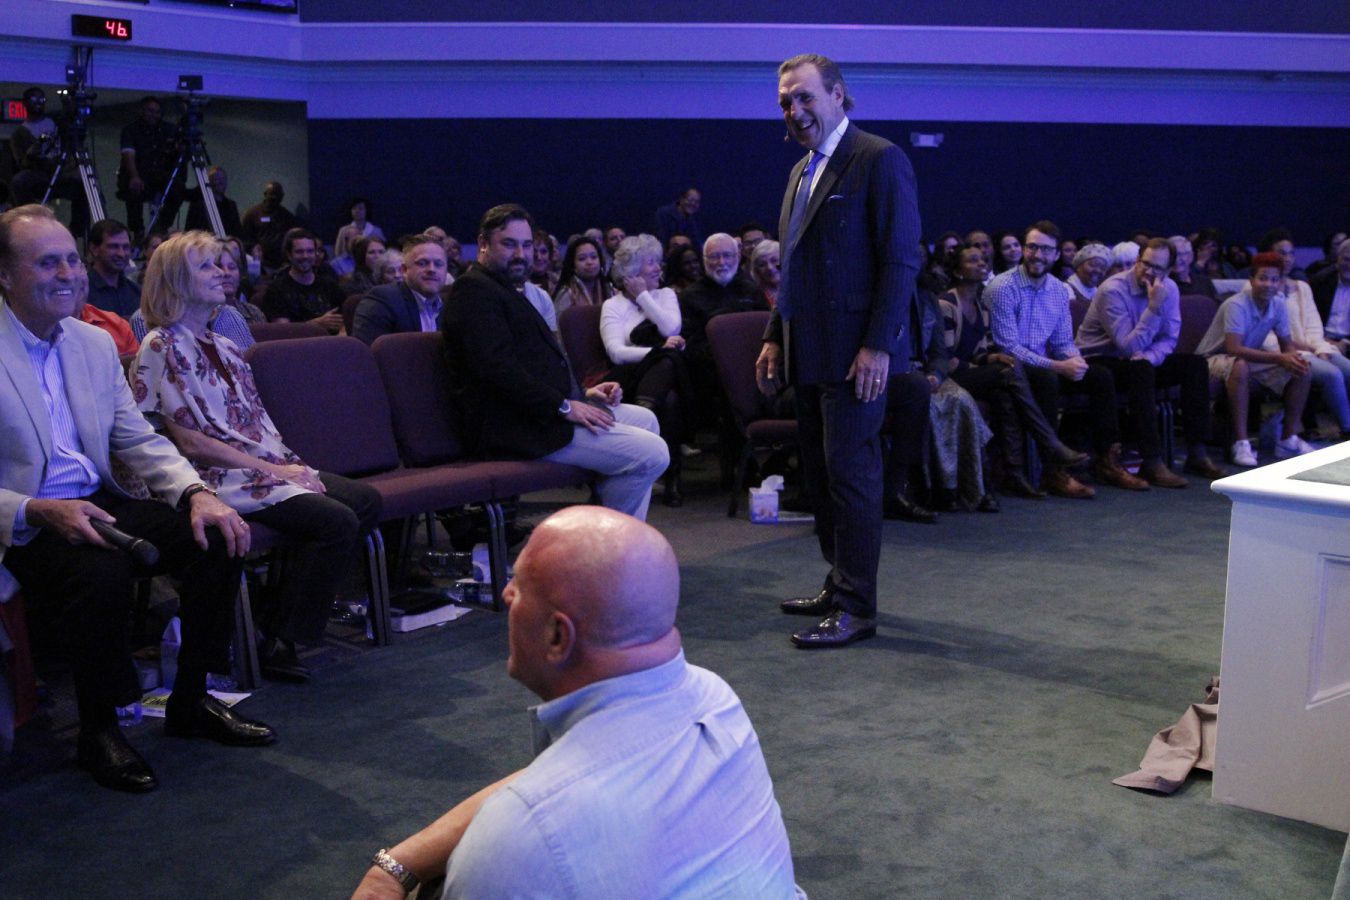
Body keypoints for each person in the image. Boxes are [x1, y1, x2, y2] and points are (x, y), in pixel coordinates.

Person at [349, 507, 801, 900]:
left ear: (557, 636)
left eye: (520, 585)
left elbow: (537, 809)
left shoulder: (514, 845)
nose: (506, 594)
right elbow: (547, 783)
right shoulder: (713, 698)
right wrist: (396, 865)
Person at [0, 204, 274, 793]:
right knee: (99, 573)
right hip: (23, 519)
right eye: (47, 263)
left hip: (97, 500)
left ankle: (191, 699)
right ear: (4, 275)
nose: (68, 274)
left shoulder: (92, 344)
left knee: (217, 534)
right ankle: (99, 729)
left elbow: (137, 439)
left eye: (72, 260)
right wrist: (36, 509)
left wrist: (197, 492)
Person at [133, 231, 381, 680]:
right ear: (176, 279)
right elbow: (192, 443)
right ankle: (281, 639)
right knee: (336, 521)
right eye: (207, 266)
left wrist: (291, 467)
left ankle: (271, 615)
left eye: (220, 263)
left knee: (365, 501)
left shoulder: (225, 346)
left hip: (258, 468)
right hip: (215, 477)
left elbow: (258, 426)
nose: (222, 272)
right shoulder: (159, 346)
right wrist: (278, 471)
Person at [756, 53, 921, 648]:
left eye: (804, 97)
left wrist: (877, 346)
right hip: (808, 350)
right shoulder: (800, 171)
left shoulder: (879, 158)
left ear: (837, 95)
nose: (794, 110)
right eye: (785, 102)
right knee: (822, 477)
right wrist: (774, 334)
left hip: (857, 357)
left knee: (851, 477)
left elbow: (901, 260)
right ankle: (838, 582)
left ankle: (857, 608)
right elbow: (794, 268)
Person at [441, 204, 668, 520]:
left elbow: (531, 364)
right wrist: (563, 406)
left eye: (526, 245)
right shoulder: (473, 291)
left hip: (538, 412)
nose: (520, 254)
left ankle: (611, 532)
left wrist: (583, 394)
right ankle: (607, 541)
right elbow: (497, 370)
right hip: (514, 426)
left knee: (646, 420)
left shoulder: (504, 288)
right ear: (483, 243)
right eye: (509, 244)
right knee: (653, 453)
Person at [989, 221, 1142, 496]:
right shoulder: (1003, 287)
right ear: (1023, 249)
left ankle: (1107, 460)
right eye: (1032, 247)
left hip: (1047, 363)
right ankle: (1053, 470)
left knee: (1099, 376)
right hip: (1011, 368)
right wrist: (1058, 366)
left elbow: (1062, 342)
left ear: (1057, 255)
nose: (1038, 255)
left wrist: (1074, 360)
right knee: (1048, 378)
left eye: (1046, 249)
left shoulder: (1058, 290)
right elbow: (1008, 347)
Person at [939, 245, 1088, 500]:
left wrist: (991, 358)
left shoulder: (981, 303)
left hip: (972, 372)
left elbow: (979, 351)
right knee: (1010, 372)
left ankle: (1015, 474)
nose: (982, 263)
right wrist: (984, 366)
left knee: (1006, 390)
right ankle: (1049, 444)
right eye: (973, 260)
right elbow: (946, 359)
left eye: (983, 259)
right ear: (957, 271)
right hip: (949, 377)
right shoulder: (947, 303)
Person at [1075, 238, 1226, 486]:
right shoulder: (1112, 290)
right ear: (1137, 260)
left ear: (1168, 270)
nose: (1148, 270)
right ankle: (1151, 460)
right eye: (1145, 263)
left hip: (1140, 358)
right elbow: (1127, 346)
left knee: (1195, 365)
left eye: (1157, 267)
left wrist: (1150, 356)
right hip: (1100, 359)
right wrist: (1154, 308)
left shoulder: (1170, 288)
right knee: (1141, 370)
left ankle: (1197, 452)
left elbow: (1169, 338)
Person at [1196, 252, 1314, 466]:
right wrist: (1280, 358)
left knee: (1302, 367)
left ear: (1279, 283)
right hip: (1210, 360)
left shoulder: (1278, 303)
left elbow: (1286, 344)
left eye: (1274, 279)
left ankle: (1288, 439)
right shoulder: (1236, 305)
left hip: (1246, 356)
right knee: (1239, 366)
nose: (1268, 284)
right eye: (1263, 278)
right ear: (1251, 280)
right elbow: (1234, 348)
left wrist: (1292, 357)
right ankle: (1241, 443)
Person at [601, 234, 691, 507]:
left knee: (670, 393)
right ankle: (668, 472)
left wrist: (643, 296)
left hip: (662, 380)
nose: (657, 267)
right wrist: (658, 351)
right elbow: (616, 353)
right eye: (650, 262)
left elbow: (671, 328)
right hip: (627, 377)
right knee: (668, 361)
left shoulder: (666, 295)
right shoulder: (613, 305)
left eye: (657, 261)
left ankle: (647, 414)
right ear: (630, 271)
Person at [1257, 232, 1350, 440]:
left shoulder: (1302, 287)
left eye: (1291, 253)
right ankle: (1347, 428)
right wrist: (1299, 349)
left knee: (1347, 369)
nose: (1287, 258)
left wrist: (1320, 348)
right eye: (1281, 253)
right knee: (1332, 374)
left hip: (1312, 347)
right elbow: (1264, 334)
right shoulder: (1259, 288)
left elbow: (1314, 326)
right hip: (1281, 352)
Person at [8, 88, 91, 238]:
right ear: (25, 103)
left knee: (83, 184)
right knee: (19, 181)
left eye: (42, 100)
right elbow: (22, 163)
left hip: (61, 172)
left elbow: (73, 140)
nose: (38, 103)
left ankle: (76, 231)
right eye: (34, 100)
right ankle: (31, 221)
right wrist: (33, 153)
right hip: (38, 174)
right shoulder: (19, 134)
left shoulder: (56, 122)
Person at [353, 235, 447, 345]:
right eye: (422, 263)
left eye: (438, 264)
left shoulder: (450, 305)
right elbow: (367, 352)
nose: (432, 269)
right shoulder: (382, 299)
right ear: (404, 270)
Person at [116, 97, 184, 239]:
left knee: (178, 189)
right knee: (134, 190)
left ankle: (161, 226)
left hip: (159, 175)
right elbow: (128, 153)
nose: (154, 115)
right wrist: (134, 176)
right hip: (138, 173)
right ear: (142, 111)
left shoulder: (168, 129)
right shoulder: (131, 130)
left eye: (157, 112)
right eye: (150, 111)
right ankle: (138, 231)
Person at [259, 228, 345, 332]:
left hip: (332, 340)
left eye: (310, 251)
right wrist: (316, 324)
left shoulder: (330, 285)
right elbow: (282, 332)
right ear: (289, 255)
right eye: (299, 252)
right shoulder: (276, 290)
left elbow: (345, 322)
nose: (305, 256)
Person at [85, 219, 142, 317]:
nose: (121, 254)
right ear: (94, 249)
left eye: (126, 247)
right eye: (113, 247)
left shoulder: (136, 292)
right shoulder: (82, 293)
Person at [241, 181, 299, 273]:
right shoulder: (252, 214)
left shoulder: (287, 216)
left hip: (282, 265)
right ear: (265, 194)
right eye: (272, 194)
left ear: (282, 196)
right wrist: (253, 248)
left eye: (278, 194)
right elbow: (245, 238)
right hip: (259, 264)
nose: (274, 197)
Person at [1311, 239, 1350, 361]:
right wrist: (1324, 340)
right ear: (1338, 259)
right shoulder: (1319, 282)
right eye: (1346, 259)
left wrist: (1346, 342)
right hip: (1321, 341)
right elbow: (1309, 319)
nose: (1349, 265)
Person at [183, 165, 244, 240]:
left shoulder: (231, 205)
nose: (221, 182)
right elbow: (190, 230)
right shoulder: (198, 205)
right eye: (217, 179)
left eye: (223, 179)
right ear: (210, 182)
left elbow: (237, 231)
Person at [552, 236, 607, 315]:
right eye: (582, 258)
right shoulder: (568, 294)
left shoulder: (608, 289)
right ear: (573, 265)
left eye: (594, 257)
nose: (589, 262)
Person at [333, 197, 386, 261]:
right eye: (354, 208)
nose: (357, 211)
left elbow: (383, 250)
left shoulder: (376, 231)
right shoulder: (344, 230)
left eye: (360, 208)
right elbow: (338, 251)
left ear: (367, 211)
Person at [1167, 235, 1218, 301]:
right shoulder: (1163, 285)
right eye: (1172, 255)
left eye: (1181, 254)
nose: (1176, 259)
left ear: (1191, 256)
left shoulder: (1204, 282)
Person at [751, 239, 781, 309]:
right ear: (757, 271)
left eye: (774, 261)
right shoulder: (753, 296)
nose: (769, 268)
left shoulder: (801, 288)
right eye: (762, 264)